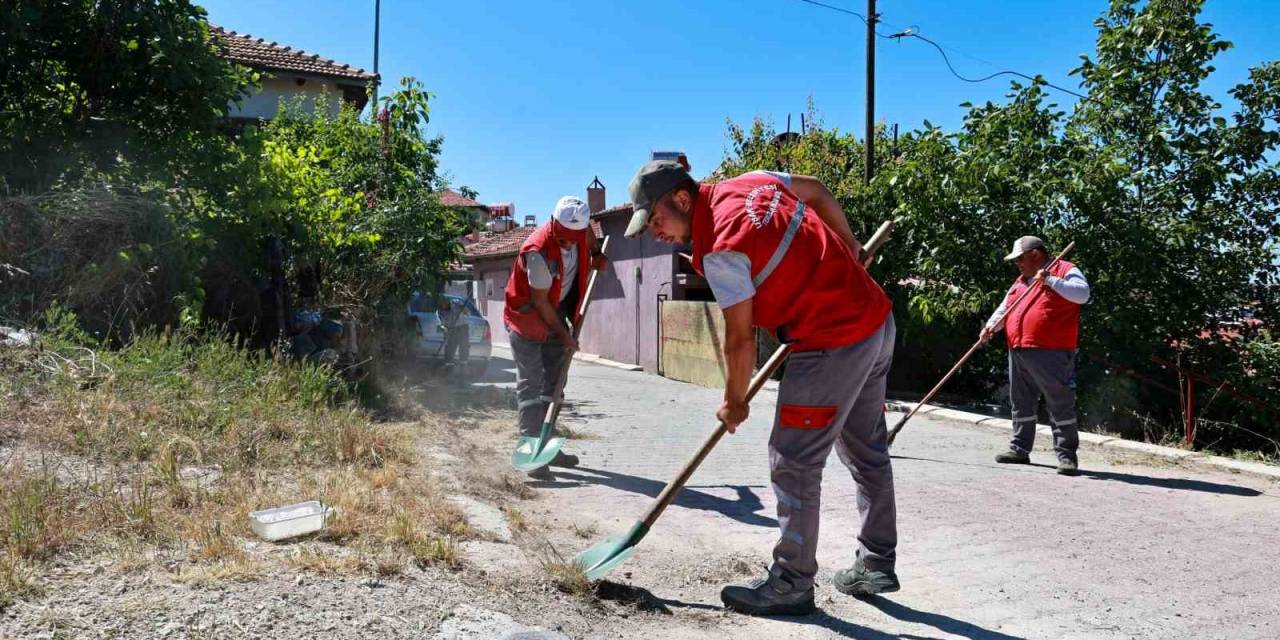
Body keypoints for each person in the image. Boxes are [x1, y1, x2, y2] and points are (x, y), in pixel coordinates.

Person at [624, 160, 898, 617]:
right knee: (866, 449)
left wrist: (734, 401)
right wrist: (849, 244)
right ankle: (876, 562)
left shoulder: (721, 249)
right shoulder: (752, 182)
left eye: (656, 220)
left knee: (793, 461)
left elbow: (738, 336)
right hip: (875, 322)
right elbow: (819, 190)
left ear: (682, 199)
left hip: (830, 341)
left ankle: (791, 582)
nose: (657, 233)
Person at [503, 196, 607, 479]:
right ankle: (531, 454)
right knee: (531, 386)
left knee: (555, 384)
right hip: (527, 317)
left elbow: (586, 234)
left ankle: (548, 444)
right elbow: (540, 303)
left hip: (554, 312)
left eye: (574, 239)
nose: (569, 245)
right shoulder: (536, 251)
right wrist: (565, 335)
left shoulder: (578, 230)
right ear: (553, 224)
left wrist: (596, 253)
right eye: (564, 240)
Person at [980, 235, 1091, 475]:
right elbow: (1005, 307)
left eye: (1020, 258)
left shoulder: (1064, 269)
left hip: (1051, 351)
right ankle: (1019, 449)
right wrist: (990, 327)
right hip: (1018, 348)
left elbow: (1082, 294)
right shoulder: (1021, 281)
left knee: (1059, 402)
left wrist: (1050, 280)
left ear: (1036, 254)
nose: (1017, 263)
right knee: (1021, 402)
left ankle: (1066, 456)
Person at [437, 297, 470, 370]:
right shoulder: (440, 311)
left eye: (445, 304)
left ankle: (463, 365)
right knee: (450, 347)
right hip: (451, 329)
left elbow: (467, 312)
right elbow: (441, 324)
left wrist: (463, 308)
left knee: (464, 346)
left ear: (448, 302)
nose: (443, 306)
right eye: (442, 305)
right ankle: (449, 365)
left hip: (462, 327)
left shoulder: (457, 304)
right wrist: (444, 328)